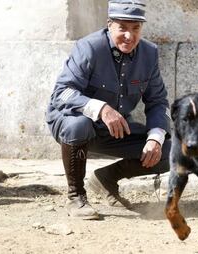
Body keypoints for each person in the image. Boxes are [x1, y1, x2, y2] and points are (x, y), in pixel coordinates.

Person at [45, 0, 171, 220]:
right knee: (79, 124)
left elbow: (158, 101)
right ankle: (76, 196)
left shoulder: (149, 53)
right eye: (122, 27)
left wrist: (155, 138)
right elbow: (61, 93)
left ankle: (106, 179)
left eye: (136, 28)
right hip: (71, 122)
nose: (129, 36)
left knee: (170, 150)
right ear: (109, 25)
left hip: (114, 130)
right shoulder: (90, 47)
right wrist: (101, 108)